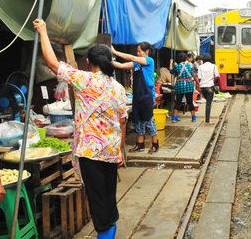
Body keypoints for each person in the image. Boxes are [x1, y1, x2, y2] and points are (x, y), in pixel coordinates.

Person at [34, 19, 127, 238]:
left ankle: (105, 234)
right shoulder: (119, 88)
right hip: (111, 152)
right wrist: (121, 149)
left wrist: (43, 32)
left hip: (91, 153)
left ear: (89, 62)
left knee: (97, 200)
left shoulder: (86, 80)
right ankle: (109, 231)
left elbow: (52, 63)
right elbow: (122, 121)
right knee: (108, 197)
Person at [111, 43, 159, 153]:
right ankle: (140, 144)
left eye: (140, 51)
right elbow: (121, 65)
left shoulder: (149, 61)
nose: (137, 54)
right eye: (137, 51)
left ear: (146, 52)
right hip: (137, 95)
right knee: (137, 120)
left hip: (147, 95)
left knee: (148, 119)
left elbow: (132, 57)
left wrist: (115, 52)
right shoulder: (136, 64)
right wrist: (108, 62)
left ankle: (155, 144)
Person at [170, 52, 196, 122]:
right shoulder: (189, 65)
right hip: (189, 85)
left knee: (178, 102)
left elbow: (171, 72)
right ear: (185, 59)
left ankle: (174, 117)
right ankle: (193, 117)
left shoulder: (176, 66)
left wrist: (171, 63)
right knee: (190, 102)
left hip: (180, 85)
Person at [197, 53, 219, 125]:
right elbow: (217, 76)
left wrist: (202, 83)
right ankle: (207, 121)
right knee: (208, 104)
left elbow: (199, 78)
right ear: (210, 59)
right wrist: (213, 81)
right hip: (210, 86)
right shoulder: (213, 66)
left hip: (203, 87)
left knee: (207, 102)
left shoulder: (200, 67)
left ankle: (207, 120)